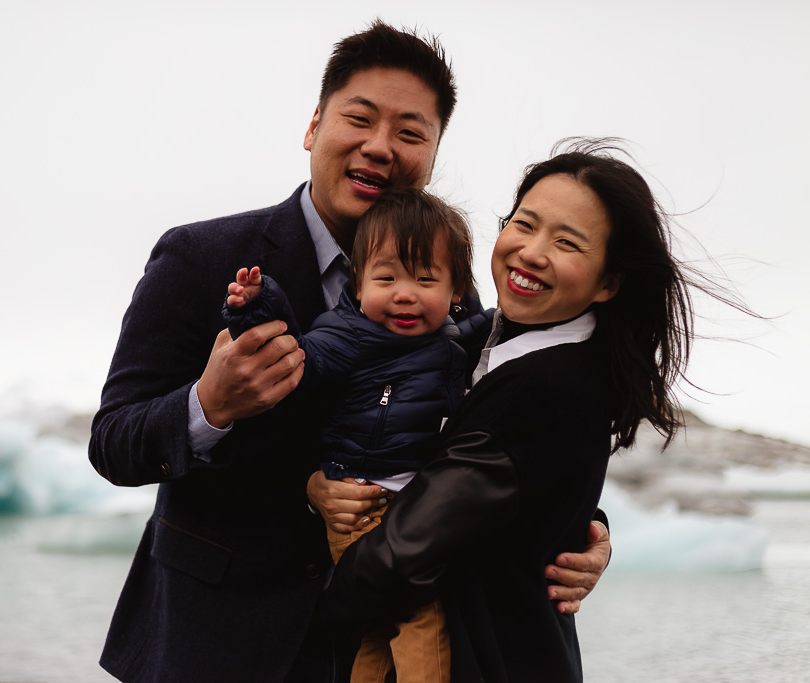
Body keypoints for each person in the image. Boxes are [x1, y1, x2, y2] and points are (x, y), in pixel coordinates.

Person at [88, 21, 611, 682]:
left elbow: (484, 433)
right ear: (314, 127)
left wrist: (586, 531)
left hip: (372, 645)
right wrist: (209, 403)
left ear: (432, 154)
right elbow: (113, 442)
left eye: (411, 133)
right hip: (215, 641)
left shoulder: (444, 284)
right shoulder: (201, 258)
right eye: (359, 119)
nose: (380, 147)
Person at [320, 139, 710, 682]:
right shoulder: (491, 339)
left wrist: (313, 616)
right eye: (525, 224)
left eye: (567, 243)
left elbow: (405, 554)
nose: (531, 251)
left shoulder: (547, 385)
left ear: (608, 283)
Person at [224, 189, 473, 682]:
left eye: (426, 279)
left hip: (408, 502)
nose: (406, 293)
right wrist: (258, 309)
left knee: (380, 628)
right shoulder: (348, 335)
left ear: (456, 292)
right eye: (387, 278)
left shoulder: (452, 339)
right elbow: (300, 359)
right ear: (358, 286)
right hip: (360, 503)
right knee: (419, 613)